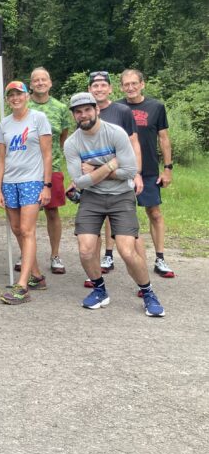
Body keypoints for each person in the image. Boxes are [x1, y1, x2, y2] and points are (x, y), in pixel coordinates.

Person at [63, 92, 165, 317]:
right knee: (86, 249)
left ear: (97, 110)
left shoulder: (116, 133)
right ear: (74, 115)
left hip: (121, 195)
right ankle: (99, 290)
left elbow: (129, 171)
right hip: (92, 197)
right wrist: (110, 165)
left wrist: (95, 170)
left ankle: (148, 293)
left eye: (88, 109)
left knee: (127, 251)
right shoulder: (72, 143)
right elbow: (80, 182)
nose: (83, 114)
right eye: (78, 111)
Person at [0, 81, 53, 305]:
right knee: (17, 229)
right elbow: (1, 158)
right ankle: (36, 276)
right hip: (10, 182)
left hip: (32, 180)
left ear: (27, 96)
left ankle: (22, 286)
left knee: (28, 230)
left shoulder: (38, 118)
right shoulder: (4, 123)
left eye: (19, 94)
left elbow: (47, 154)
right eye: (11, 95)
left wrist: (46, 185)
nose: (15, 98)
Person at [118, 69, 175, 279]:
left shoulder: (156, 107)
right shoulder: (116, 107)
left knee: (154, 213)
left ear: (142, 84)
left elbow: (164, 138)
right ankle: (108, 255)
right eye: (126, 84)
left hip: (149, 170)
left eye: (134, 83)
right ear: (121, 87)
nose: (130, 87)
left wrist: (167, 168)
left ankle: (160, 258)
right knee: (114, 214)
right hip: (122, 170)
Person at [88, 70, 143, 276]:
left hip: (120, 177)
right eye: (95, 86)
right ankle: (95, 274)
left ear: (110, 89)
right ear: (89, 89)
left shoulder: (122, 111)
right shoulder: (84, 111)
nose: (99, 89)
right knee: (92, 229)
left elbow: (134, 142)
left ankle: (143, 277)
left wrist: (136, 173)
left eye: (103, 85)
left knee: (128, 231)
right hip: (95, 178)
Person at [29, 68, 73, 274]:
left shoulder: (61, 108)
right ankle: (27, 254)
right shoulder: (23, 105)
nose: (40, 83)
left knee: (52, 212)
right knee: (27, 214)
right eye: (36, 80)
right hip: (28, 169)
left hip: (52, 167)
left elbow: (64, 137)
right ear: (31, 85)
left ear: (50, 82)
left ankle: (55, 255)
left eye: (43, 79)